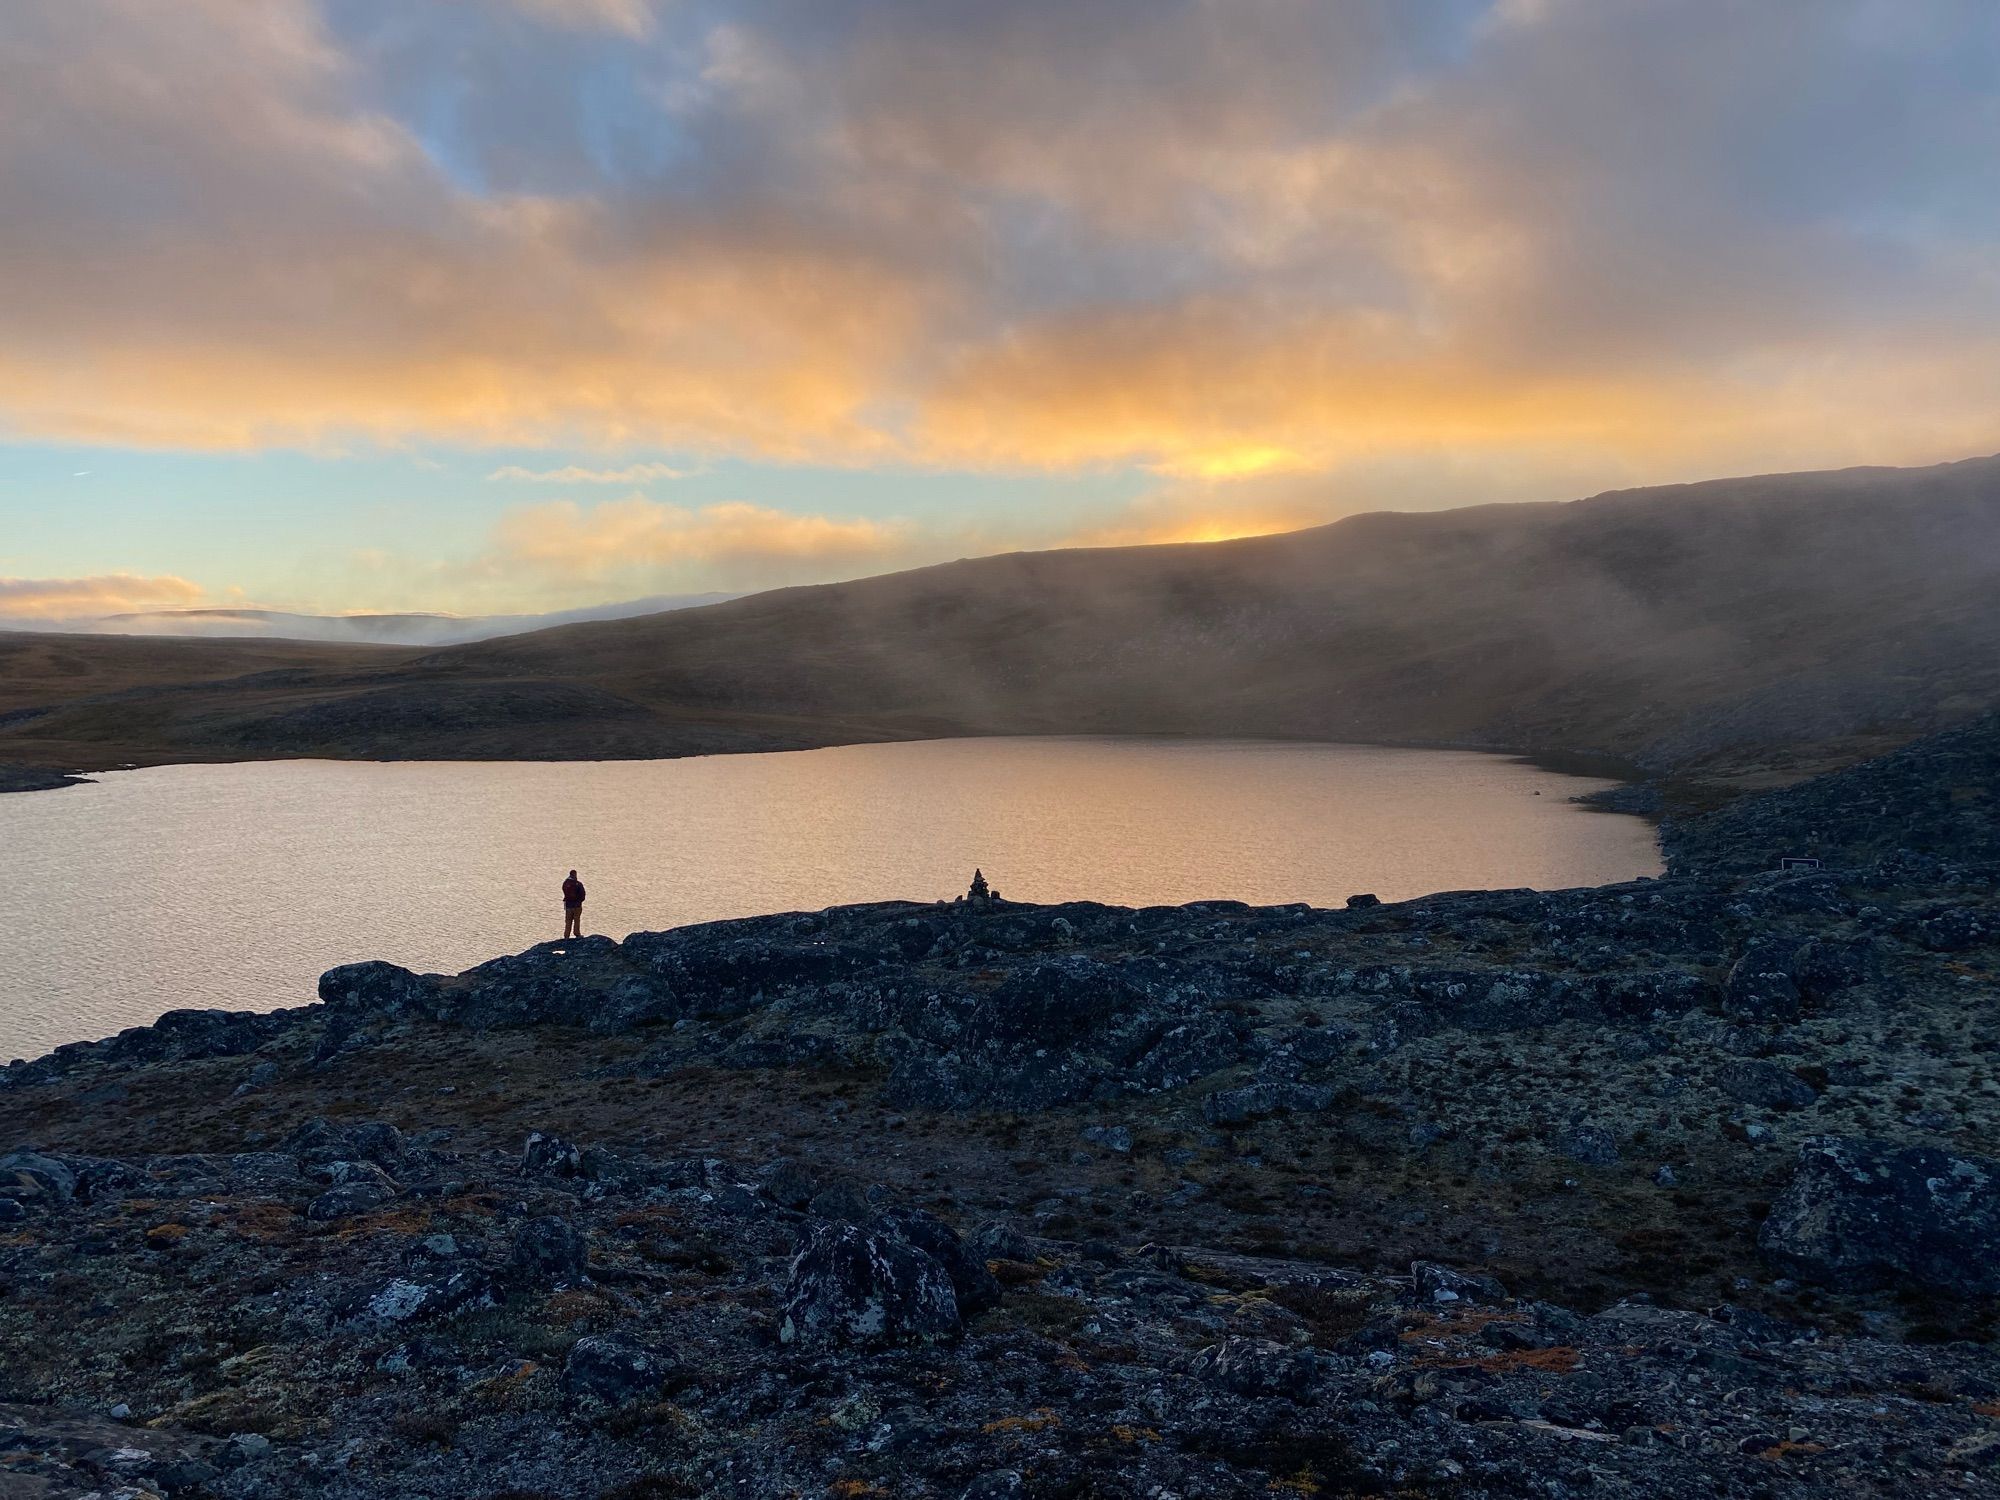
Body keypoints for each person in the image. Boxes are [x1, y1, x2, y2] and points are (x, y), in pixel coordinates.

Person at [561, 869, 586, 939]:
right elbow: (583, 894)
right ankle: (577, 933)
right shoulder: (578, 884)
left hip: (568, 905)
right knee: (577, 920)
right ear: (575, 875)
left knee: (568, 921)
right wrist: (580, 900)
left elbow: (564, 891)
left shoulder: (565, 883)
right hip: (577, 905)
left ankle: (566, 935)